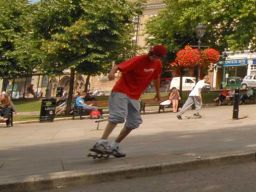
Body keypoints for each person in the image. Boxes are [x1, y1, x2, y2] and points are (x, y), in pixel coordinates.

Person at [90, 45, 167, 157]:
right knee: (118, 117)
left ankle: (114, 146)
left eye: (157, 56)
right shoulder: (138, 59)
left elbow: (156, 77)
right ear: (150, 52)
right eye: (153, 55)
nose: (154, 58)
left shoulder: (158, 64)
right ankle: (101, 142)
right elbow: (117, 67)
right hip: (121, 91)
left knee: (134, 122)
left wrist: (158, 93)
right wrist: (111, 73)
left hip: (134, 96)